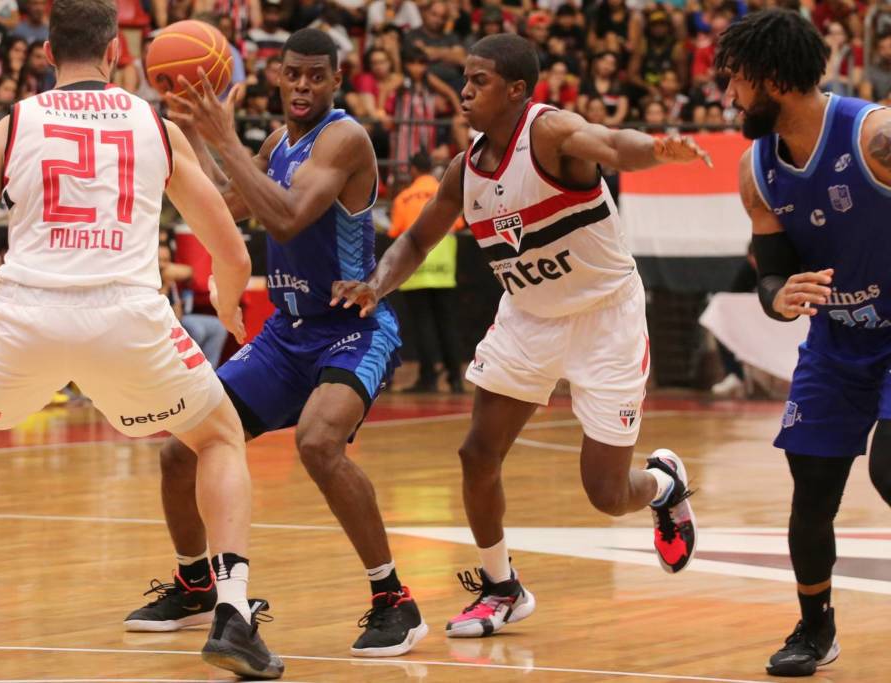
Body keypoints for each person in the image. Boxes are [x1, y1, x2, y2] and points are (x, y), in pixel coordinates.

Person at [0, 1, 283, 679]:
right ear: (117, 51)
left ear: (47, 53)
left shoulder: (11, 126)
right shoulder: (154, 125)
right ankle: (232, 609)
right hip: (128, 318)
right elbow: (230, 248)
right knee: (218, 437)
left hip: (24, 315)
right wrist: (227, 297)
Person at [331, 33, 706, 640]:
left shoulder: (551, 133)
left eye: (478, 81)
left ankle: (663, 484)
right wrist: (376, 284)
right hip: (529, 316)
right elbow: (417, 240)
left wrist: (655, 149)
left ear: (516, 91)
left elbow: (612, 144)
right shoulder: (463, 168)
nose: (465, 91)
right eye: (465, 79)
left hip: (604, 317)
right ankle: (502, 587)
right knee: (477, 453)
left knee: (607, 494)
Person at [129, 28, 428, 658]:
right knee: (180, 452)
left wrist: (225, 139)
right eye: (292, 74)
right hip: (286, 334)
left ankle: (394, 599)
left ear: (336, 81)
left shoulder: (345, 138)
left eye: (315, 76)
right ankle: (194, 584)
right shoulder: (276, 142)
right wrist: (197, 142)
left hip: (350, 330)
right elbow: (231, 204)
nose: (301, 86)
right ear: (279, 76)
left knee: (319, 443)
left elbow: (288, 216)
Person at [720, 8, 891, 677]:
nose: (728, 97)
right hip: (837, 338)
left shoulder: (875, 136)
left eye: (736, 81)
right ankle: (815, 625)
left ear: (772, 79)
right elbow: (770, 269)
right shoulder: (755, 171)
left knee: (889, 470)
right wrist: (778, 295)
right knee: (811, 488)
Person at [389, 152, 463, 394]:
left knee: (423, 326)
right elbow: (459, 224)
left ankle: (428, 379)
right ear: (431, 167)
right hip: (444, 270)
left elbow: (395, 232)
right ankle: (455, 380)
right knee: (448, 324)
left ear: (412, 170)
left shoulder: (403, 198)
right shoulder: (446, 193)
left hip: (415, 269)